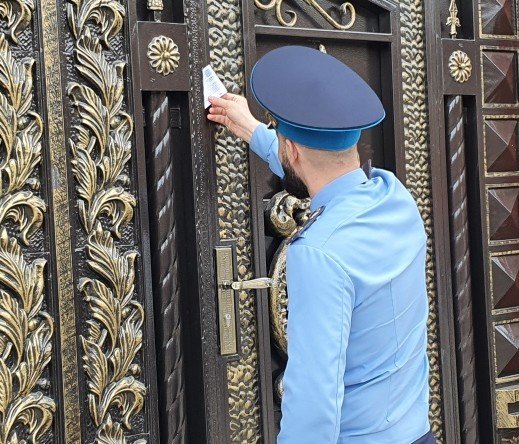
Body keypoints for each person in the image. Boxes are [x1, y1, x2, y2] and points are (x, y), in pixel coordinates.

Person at [207, 46, 434, 444]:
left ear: (291, 149)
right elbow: (324, 173)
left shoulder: (318, 253)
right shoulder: (394, 197)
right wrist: (253, 130)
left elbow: (314, 399)